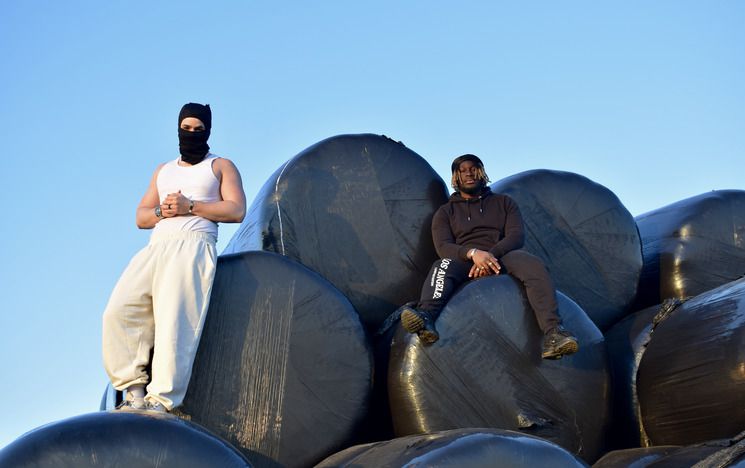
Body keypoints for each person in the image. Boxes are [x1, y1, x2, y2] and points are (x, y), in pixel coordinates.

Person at [102, 103, 246, 412]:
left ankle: (161, 400)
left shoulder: (220, 165)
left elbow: (236, 209)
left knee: (175, 321)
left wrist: (190, 206)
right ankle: (134, 391)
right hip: (158, 244)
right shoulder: (163, 170)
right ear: (178, 129)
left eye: (198, 130)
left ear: (208, 131)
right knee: (120, 310)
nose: (191, 134)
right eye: (186, 129)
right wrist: (161, 211)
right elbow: (141, 216)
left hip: (193, 244)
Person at [400, 154, 578, 359]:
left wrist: (488, 256)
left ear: (482, 172)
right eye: (462, 170)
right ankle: (426, 316)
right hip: (464, 260)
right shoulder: (445, 212)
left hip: (502, 255)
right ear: (455, 178)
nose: (469, 173)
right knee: (443, 265)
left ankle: (554, 333)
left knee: (534, 266)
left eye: (473, 168)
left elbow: (516, 236)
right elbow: (443, 246)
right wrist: (473, 254)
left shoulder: (504, 203)